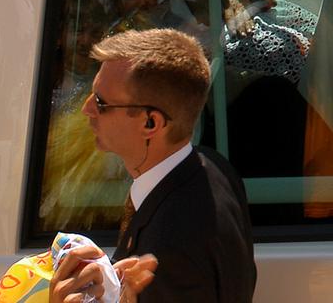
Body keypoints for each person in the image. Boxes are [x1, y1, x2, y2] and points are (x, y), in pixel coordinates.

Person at [73, 27, 256, 303]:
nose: (87, 109)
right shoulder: (214, 167)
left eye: (101, 102)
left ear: (151, 123)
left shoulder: (168, 252)